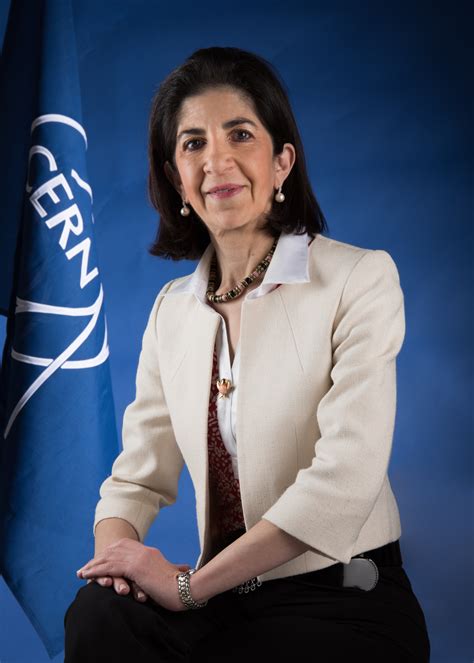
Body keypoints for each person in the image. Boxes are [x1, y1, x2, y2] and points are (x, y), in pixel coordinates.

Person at [63, 46, 431, 662]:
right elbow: (135, 478)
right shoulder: (171, 311)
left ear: (282, 160)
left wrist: (188, 587)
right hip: (225, 604)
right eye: (193, 143)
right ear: (176, 175)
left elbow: (346, 480)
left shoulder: (359, 278)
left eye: (240, 134)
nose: (216, 161)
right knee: (99, 616)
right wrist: (119, 561)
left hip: (344, 594)